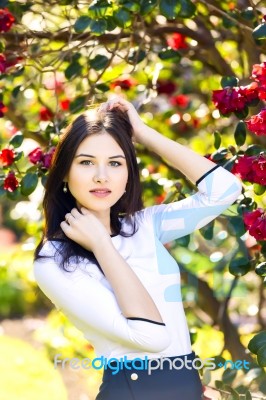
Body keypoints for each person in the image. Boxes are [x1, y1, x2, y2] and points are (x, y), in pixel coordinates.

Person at [33, 96, 242, 400]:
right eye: (86, 162)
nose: (101, 176)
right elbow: (152, 336)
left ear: (128, 173)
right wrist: (103, 246)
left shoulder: (143, 226)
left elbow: (225, 191)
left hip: (186, 387)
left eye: (115, 163)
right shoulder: (54, 261)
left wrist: (144, 134)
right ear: (65, 171)